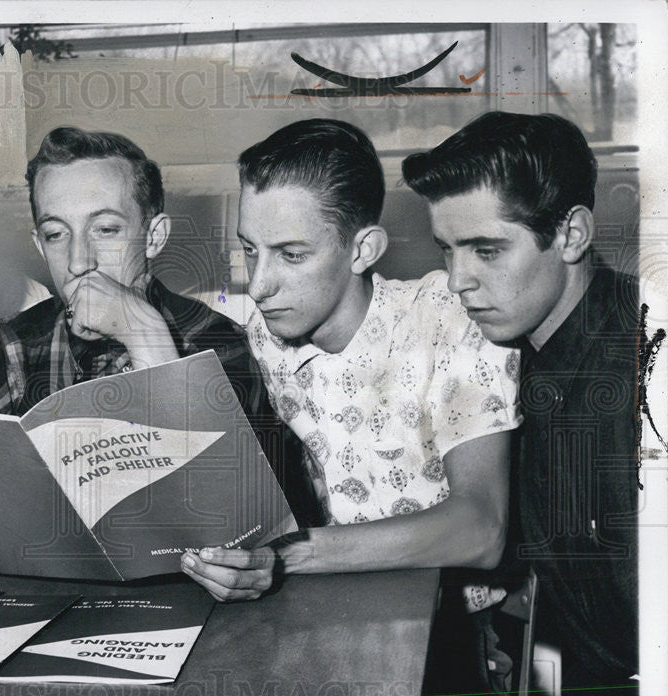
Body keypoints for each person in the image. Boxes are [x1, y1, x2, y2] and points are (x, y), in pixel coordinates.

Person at [0, 126, 312, 588]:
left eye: (106, 230)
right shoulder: (13, 345)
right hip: (47, 603)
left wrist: (146, 335)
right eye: (56, 234)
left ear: (154, 236)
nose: (79, 261)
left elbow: (239, 517)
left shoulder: (220, 343)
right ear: (38, 244)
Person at [181, 119, 521, 601]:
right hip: (319, 607)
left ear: (363, 250)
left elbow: (481, 530)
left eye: (292, 255)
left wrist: (287, 557)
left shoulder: (448, 319)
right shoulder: (261, 335)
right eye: (250, 250)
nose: (259, 286)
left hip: (445, 623)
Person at [402, 111, 640, 696]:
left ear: (570, 234)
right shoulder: (532, 340)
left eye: (485, 249)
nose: (457, 281)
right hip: (547, 664)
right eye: (446, 250)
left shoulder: (631, 387)